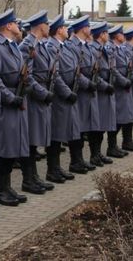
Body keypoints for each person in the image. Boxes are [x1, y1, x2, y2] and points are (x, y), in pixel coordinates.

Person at [0, 9, 29, 207]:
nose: (18, 26)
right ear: (7, 26)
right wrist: (9, 97)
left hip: (17, 98)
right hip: (6, 103)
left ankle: (7, 187)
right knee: (4, 147)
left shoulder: (12, 46)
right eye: (15, 23)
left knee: (13, 146)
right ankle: (0, 190)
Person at [18, 10, 55, 194]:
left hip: (40, 97)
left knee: (35, 141)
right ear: (41, 26)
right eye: (47, 24)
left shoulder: (40, 45)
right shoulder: (27, 46)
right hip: (33, 98)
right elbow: (26, 76)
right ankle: (28, 180)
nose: (49, 27)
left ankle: (34, 177)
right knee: (30, 141)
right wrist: (43, 93)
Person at [45, 14, 79, 182]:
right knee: (55, 134)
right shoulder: (52, 46)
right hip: (58, 95)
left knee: (60, 134)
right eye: (65, 28)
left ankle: (57, 167)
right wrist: (66, 92)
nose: (67, 30)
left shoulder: (63, 46)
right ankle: (52, 170)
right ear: (59, 30)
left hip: (65, 93)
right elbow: (55, 74)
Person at [64, 15, 99, 172]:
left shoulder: (85, 45)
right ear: (83, 29)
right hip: (79, 90)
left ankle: (80, 159)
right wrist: (88, 84)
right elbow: (75, 71)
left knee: (83, 127)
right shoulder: (72, 46)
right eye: (88, 26)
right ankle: (75, 160)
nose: (90, 29)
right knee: (76, 127)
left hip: (87, 92)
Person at [88, 22, 116, 166]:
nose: (108, 35)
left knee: (103, 124)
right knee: (96, 126)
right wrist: (105, 85)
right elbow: (93, 73)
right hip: (99, 92)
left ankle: (98, 153)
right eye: (106, 33)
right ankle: (94, 155)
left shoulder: (102, 49)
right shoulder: (93, 49)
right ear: (102, 34)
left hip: (105, 91)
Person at [106, 25, 133, 158]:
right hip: (118, 86)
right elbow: (113, 69)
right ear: (116, 36)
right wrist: (123, 81)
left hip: (124, 87)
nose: (124, 35)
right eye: (121, 33)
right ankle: (111, 146)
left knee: (123, 116)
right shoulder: (111, 49)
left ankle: (117, 145)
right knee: (116, 118)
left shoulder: (119, 48)